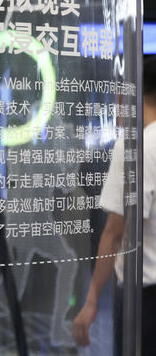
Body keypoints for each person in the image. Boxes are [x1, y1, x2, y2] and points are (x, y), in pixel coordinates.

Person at [72, 56, 156, 351]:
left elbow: (115, 231)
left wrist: (91, 300)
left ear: (126, 97)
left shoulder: (135, 144)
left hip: (144, 298)